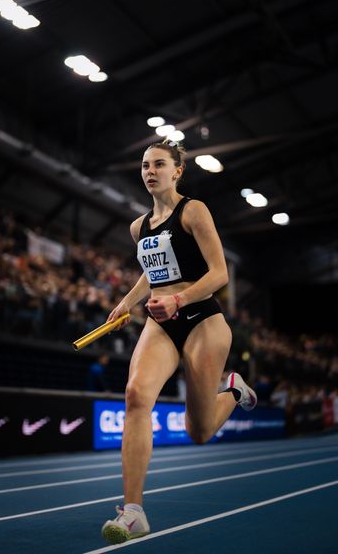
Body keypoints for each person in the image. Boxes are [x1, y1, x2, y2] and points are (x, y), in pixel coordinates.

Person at [101, 140, 257, 544]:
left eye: (158, 165)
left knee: (199, 431)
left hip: (203, 318)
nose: (150, 171)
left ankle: (234, 390)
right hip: (161, 320)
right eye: (144, 165)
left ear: (177, 171)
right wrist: (125, 303)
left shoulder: (194, 210)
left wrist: (179, 299)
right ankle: (133, 511)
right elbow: (151, 275)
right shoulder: (139, 227)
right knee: (136, 395)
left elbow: (220, 273)